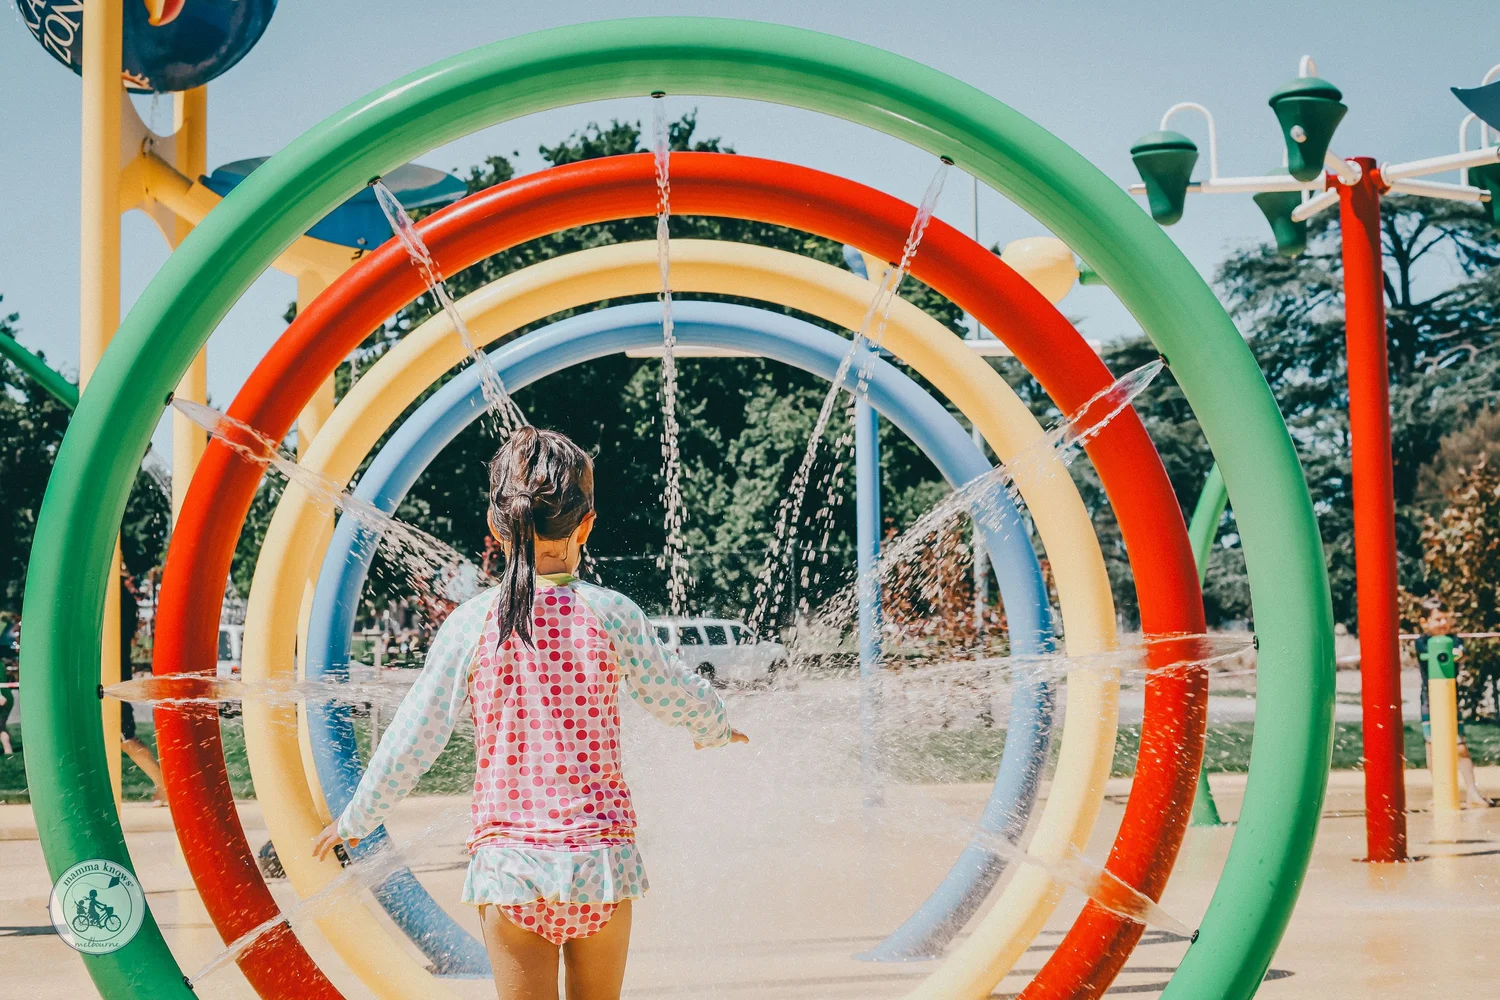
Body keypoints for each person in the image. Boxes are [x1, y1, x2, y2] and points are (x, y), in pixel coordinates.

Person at [313, 427, 747, 1000]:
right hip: (599, 862)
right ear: (586, 525)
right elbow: (672, 689)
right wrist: (714, 727)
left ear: (497, 527)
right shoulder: (611, 614)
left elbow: (414, 736)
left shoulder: (471, 624)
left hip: (511, 867)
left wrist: (356, 819)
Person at [1415, 607, 1493, 808]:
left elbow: (1460, 651)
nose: (1443, 623)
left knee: (1460, 746)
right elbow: (1426, 652)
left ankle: (1472, 791)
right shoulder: (1422, 642)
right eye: (1437, 619)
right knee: (1432, 746)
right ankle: (1440, 791)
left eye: (1446, 619)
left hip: (1449, 698)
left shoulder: (1454, 640)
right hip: (1429, 700)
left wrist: (1459, 653)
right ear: (1424, 622)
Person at [118, 576, 166, 803]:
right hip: (113, 674)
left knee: (125, 737)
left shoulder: (118, 601)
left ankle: (164, 784)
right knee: (124, 738)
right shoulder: (123, 601)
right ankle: (163, 785)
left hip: (112, 676)